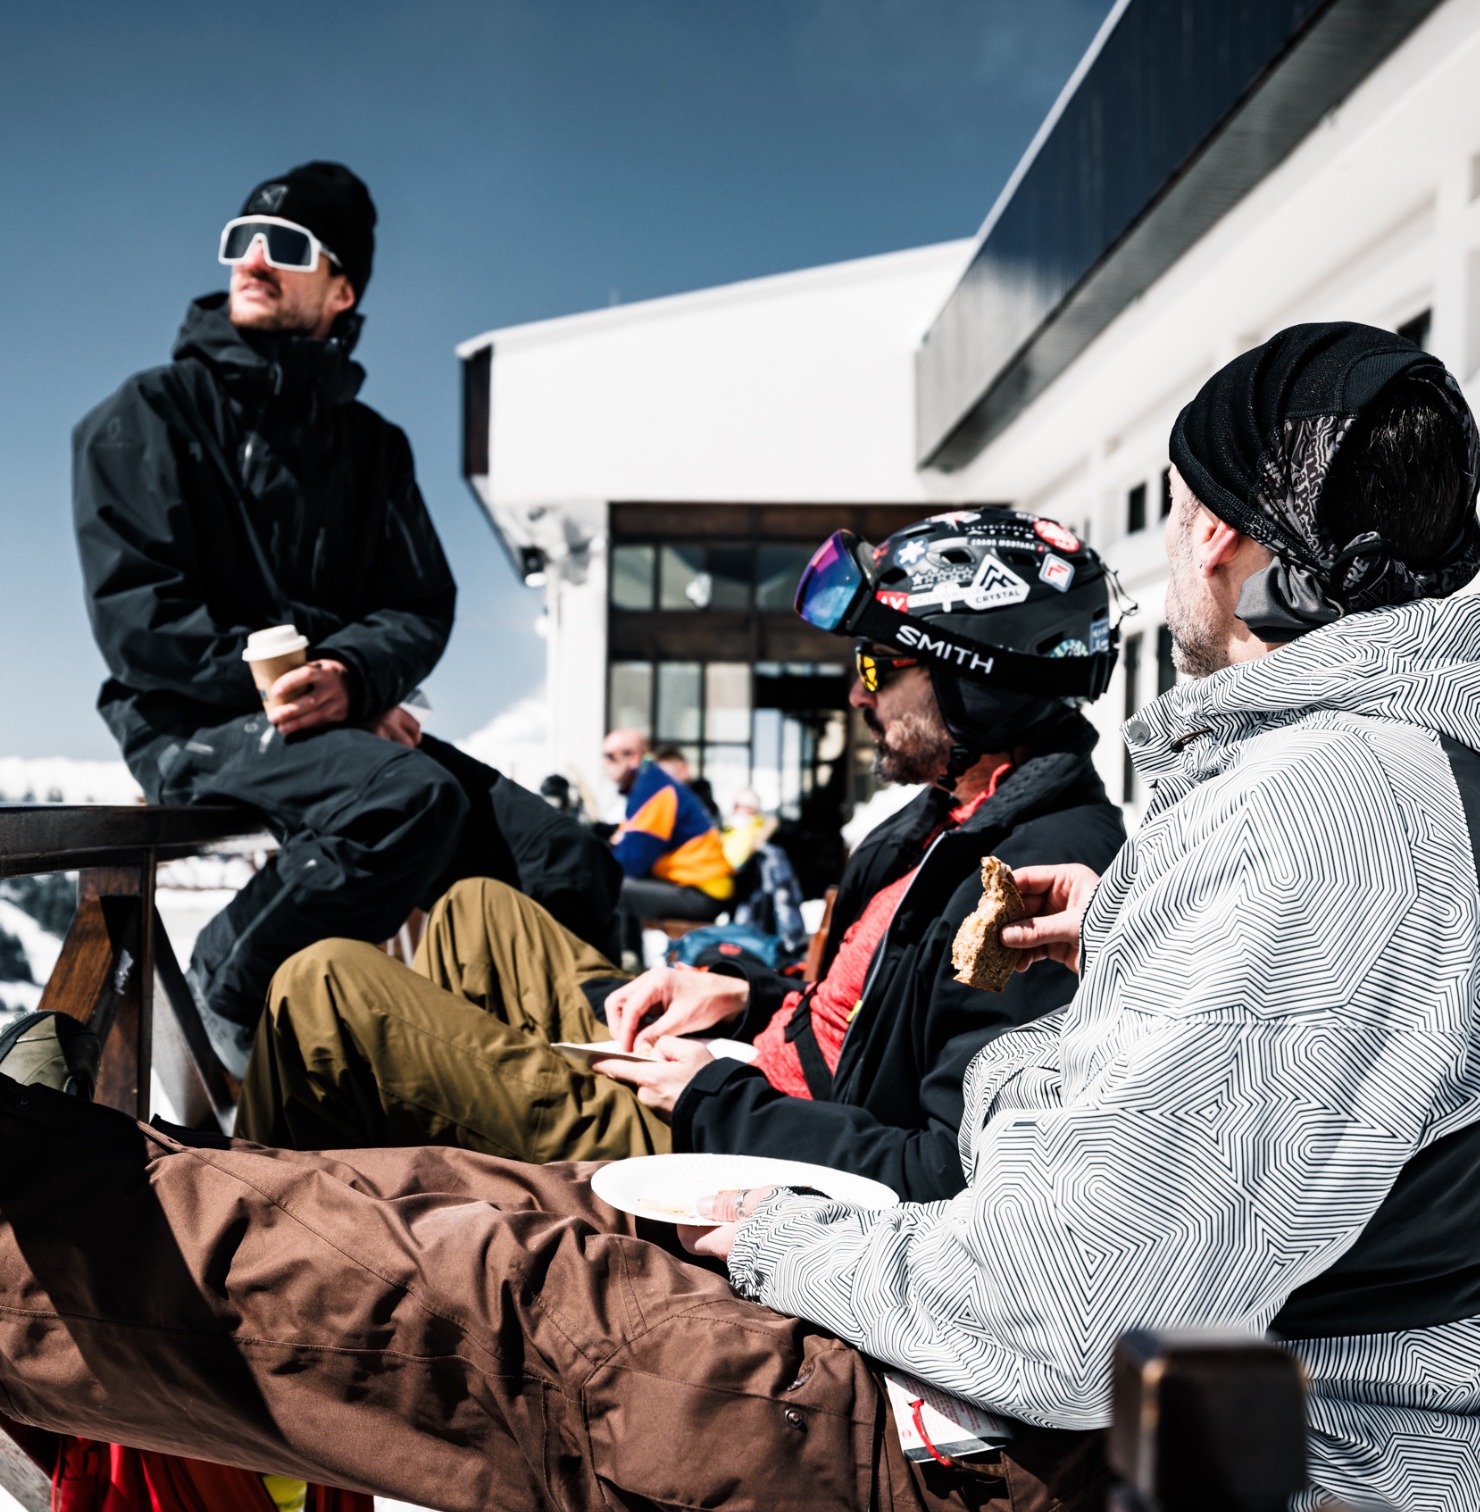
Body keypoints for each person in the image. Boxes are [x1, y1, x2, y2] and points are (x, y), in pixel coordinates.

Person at [0, 322, 1480, 1512]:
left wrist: (782, 1229)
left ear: (1225, 533)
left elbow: (1058, 1307)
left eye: (1173, 508)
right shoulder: (1430, 798)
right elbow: (1200, 1165)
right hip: (1183, 1476)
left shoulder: (1333, 812)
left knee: (534, 1299)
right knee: (498, 1210)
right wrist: (1127, 954)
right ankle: (50, 1201)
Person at [236, 510, 1126, 1208]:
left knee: (325, 989)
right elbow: (861, 1018)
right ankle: (428, 1198)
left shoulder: (1040, 881)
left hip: (738, 1154)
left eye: (878, 664)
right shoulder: (949, 817)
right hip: (746, 1087)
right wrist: (740, 995)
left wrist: (714, 1097)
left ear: (977, 674)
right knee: (478, 910)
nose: (859, 694)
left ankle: (255, 1269)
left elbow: (949, 1171)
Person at [73, 161, 616, 1072]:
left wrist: (356, 679)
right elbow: (141, 622)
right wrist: (329, 692)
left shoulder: (373, 448)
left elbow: (419, 600)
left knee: (566, 858)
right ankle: (226, 981)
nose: (253, 259)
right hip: (190, 716)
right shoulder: (145, 416)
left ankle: (521, 1071)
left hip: (342, 729)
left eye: (285, 246)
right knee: (406, 801)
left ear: (341, 289)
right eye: (240, 239)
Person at [604, 728, 732, 934]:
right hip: (696, 885)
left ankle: (626, 954)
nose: (604, 763)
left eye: (610, 756)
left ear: (634, 758)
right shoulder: (651, 783)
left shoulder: (653, 790)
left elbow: (633, 862)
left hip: (702, 892)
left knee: (608, 885)